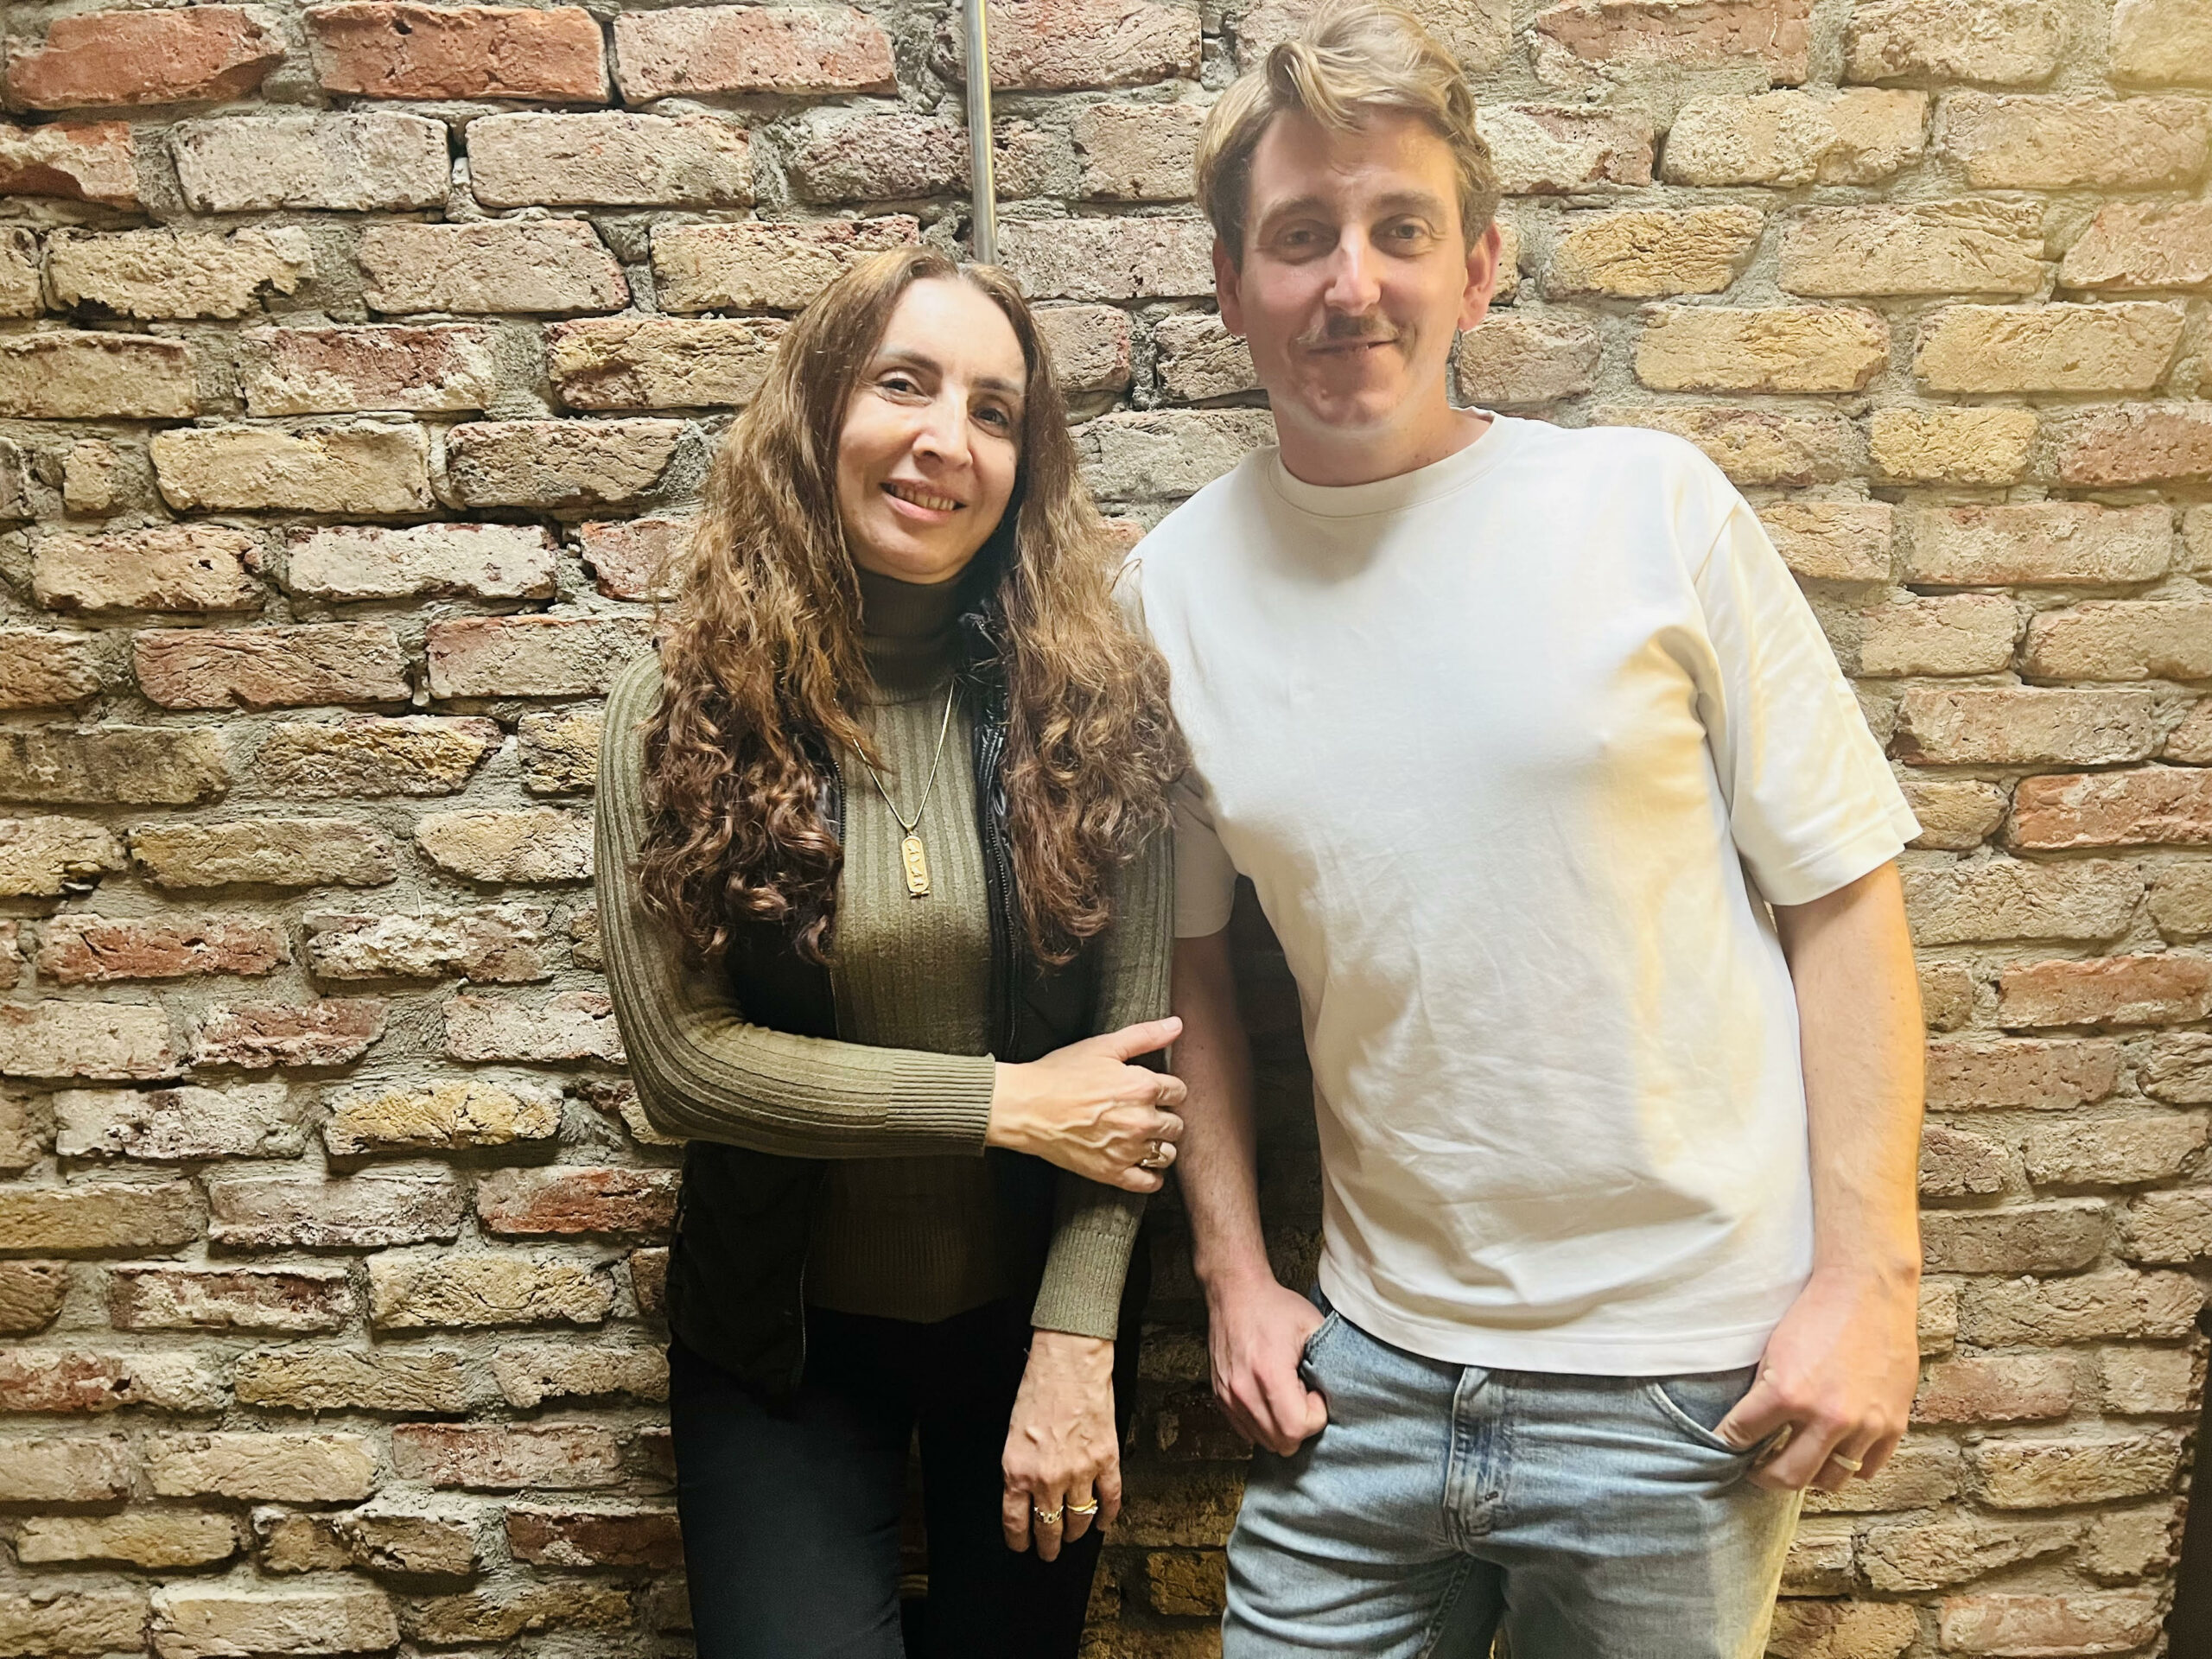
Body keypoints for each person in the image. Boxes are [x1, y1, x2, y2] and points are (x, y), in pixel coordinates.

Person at [1123, 5, 1927, 1655]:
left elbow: (1843, 895)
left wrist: (1872, 1286)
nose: (1352, 282)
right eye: (1300, 236)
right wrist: (1234, 1276)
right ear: (1230, 287)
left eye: (1400, 230)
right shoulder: (1172, 591)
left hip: (1686, 1390)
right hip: (1365, 1372)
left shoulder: (1650, 507)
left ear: (1479, 271)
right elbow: (1187, 964)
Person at [594, 247, 1189, 1659]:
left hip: (1031, 1324)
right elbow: (683, 1066)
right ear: (818, 415)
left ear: (1026, 464)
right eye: (903, 384)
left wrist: (1076, 1345)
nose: (946, 440)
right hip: (780, 1341)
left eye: (994, 410)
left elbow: (1138, 1073)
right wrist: (1006, 1102)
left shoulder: (1095, 704)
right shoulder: (677, 711)